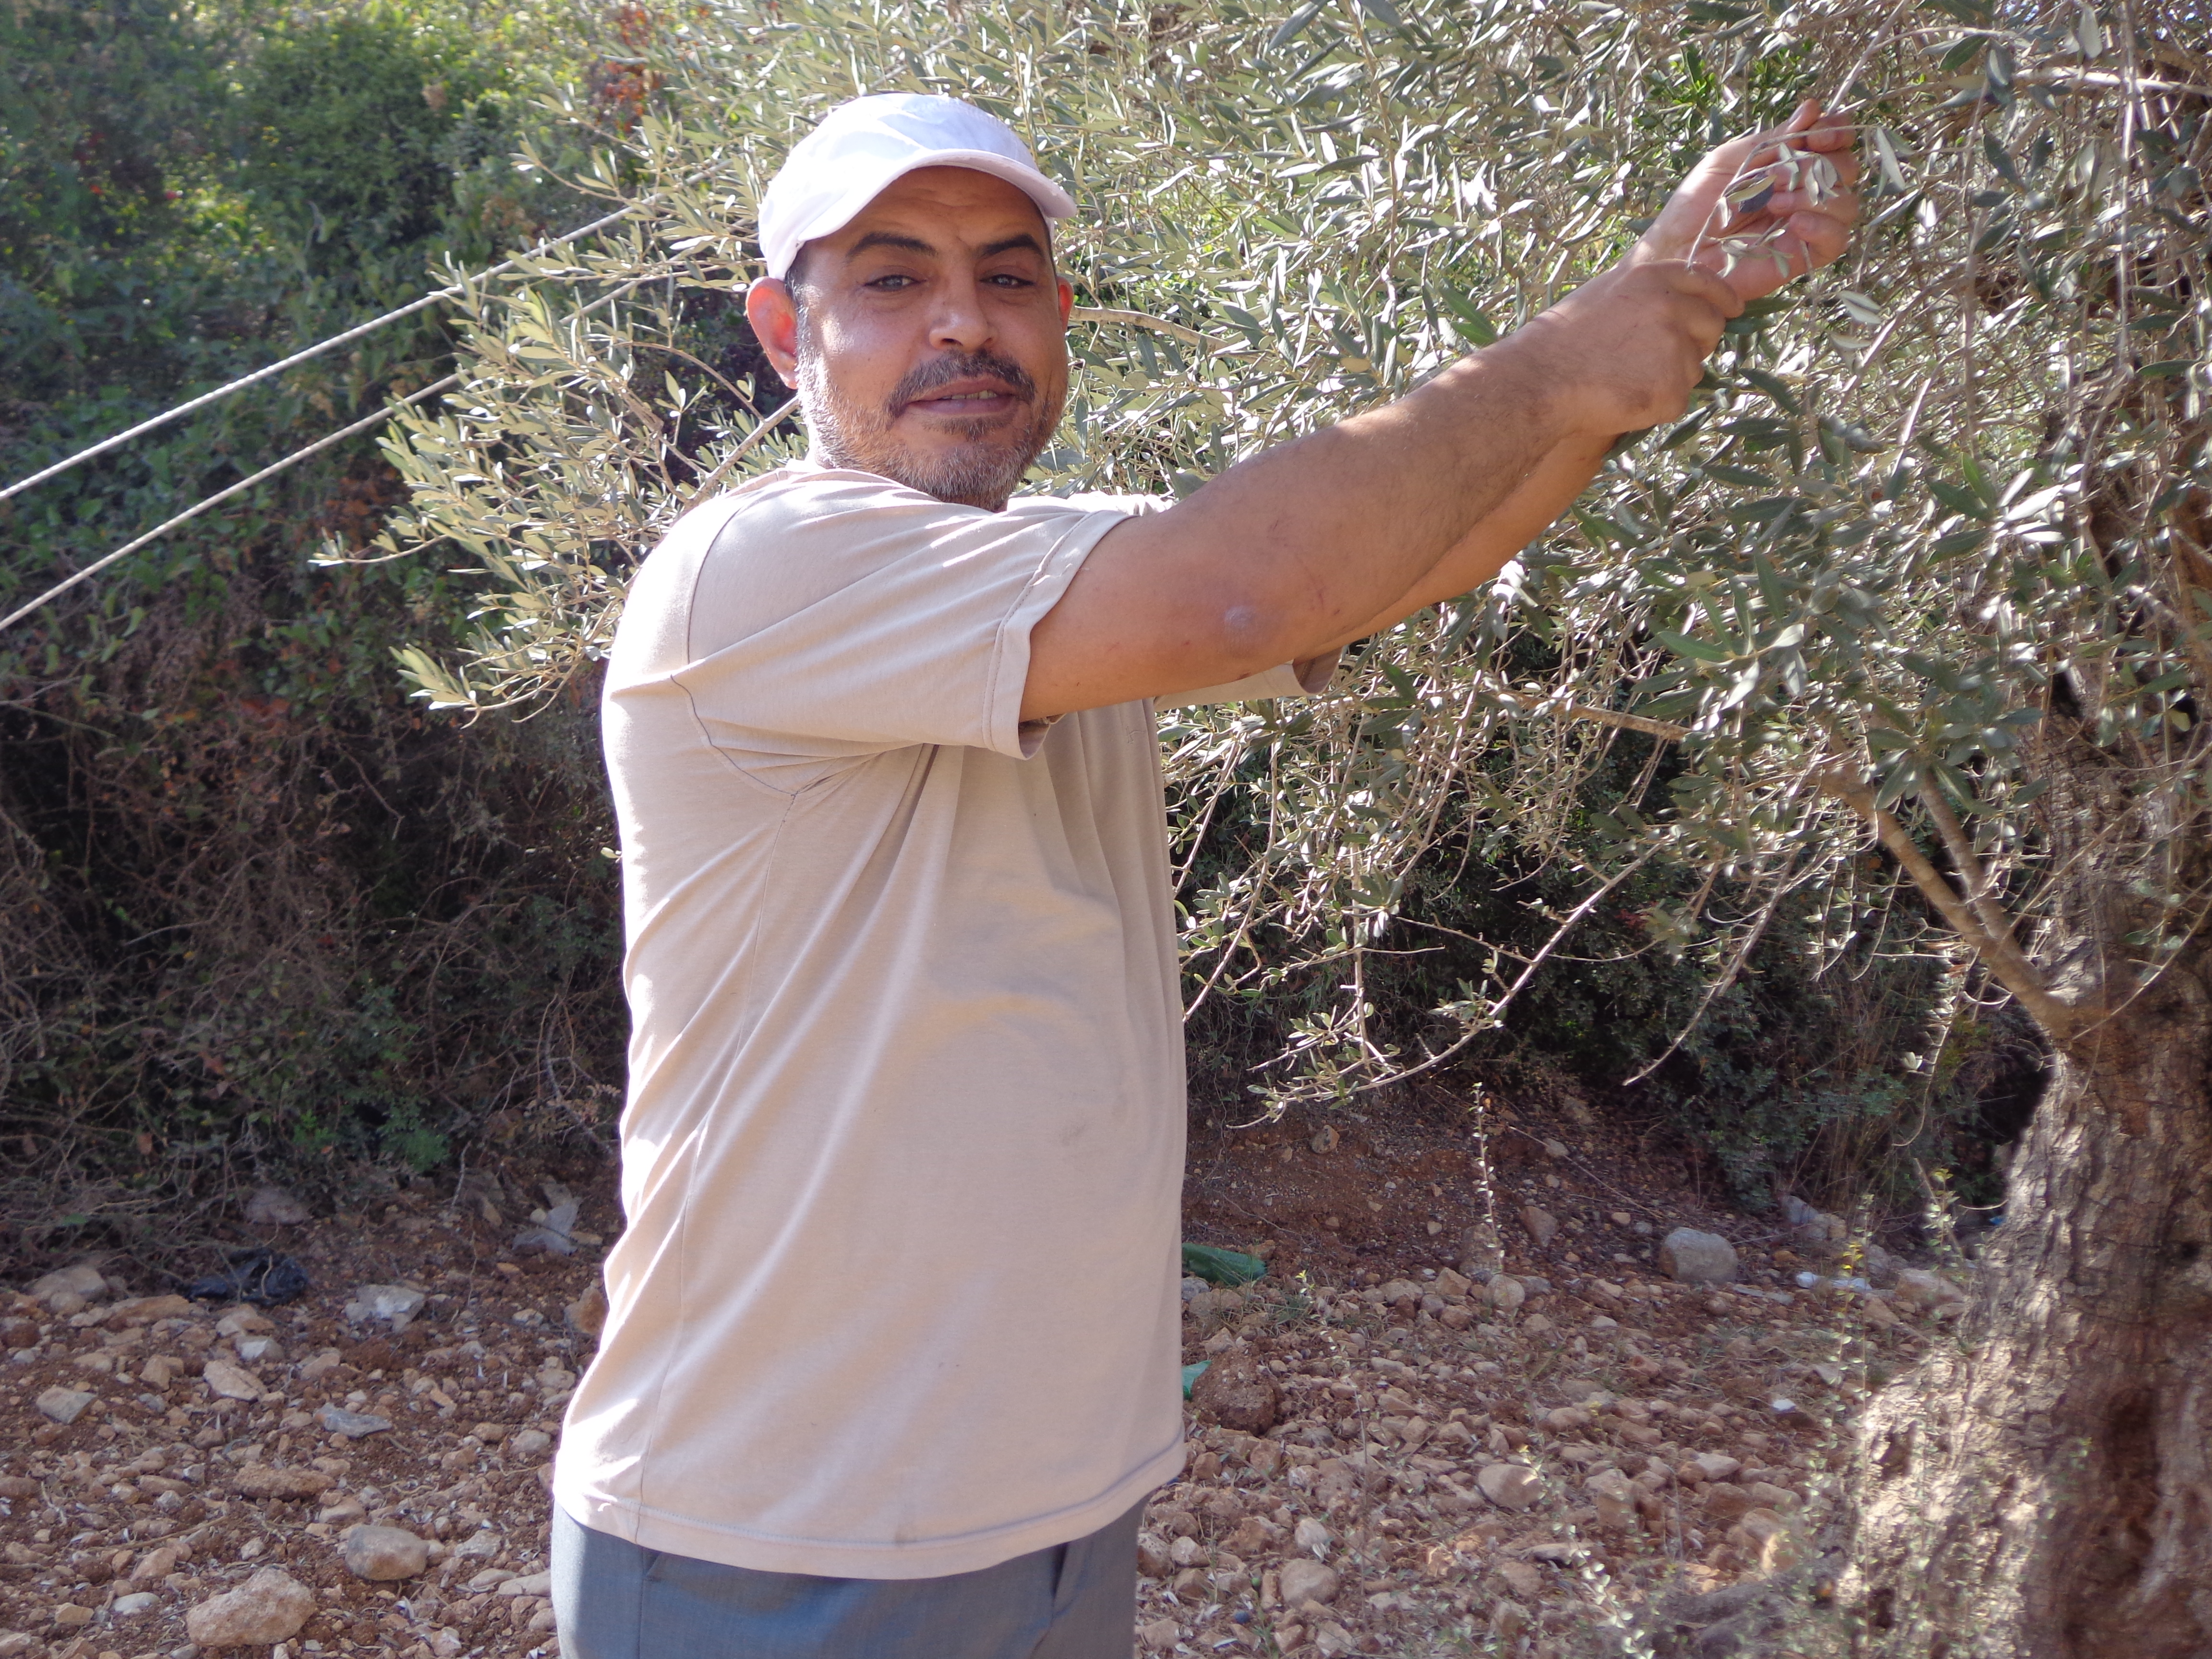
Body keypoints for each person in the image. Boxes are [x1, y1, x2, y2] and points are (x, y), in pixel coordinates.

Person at [549, 91, 1858, 1658]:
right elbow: (1248, 594)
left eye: (1009, 276)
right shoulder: (764, 571)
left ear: (1060, 317)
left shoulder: (1043, 575)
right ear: (783, 335)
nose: (964, 324)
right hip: (776, 1539)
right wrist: (1591, 344)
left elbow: (1385, 567)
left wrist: (1677, 303)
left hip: (1045, 1510)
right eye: (893, 280)